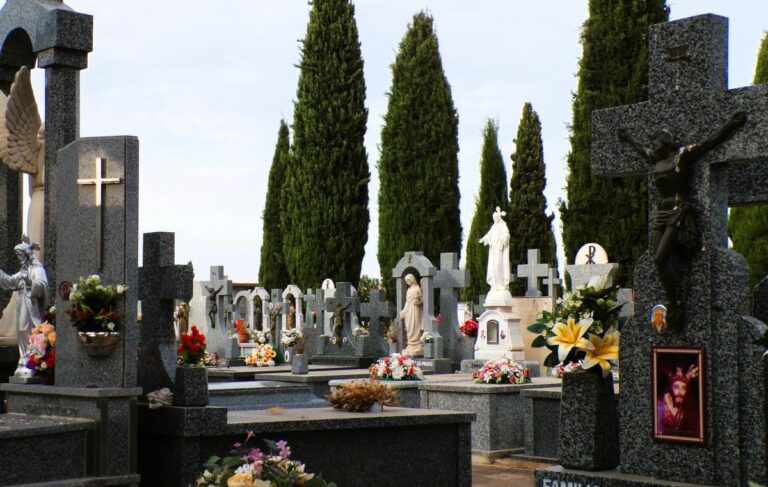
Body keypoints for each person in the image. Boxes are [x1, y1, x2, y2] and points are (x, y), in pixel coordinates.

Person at [618, 111, 746, 330]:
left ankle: (674, 301)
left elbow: (709, 143)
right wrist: (628, 136)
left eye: (656, 143)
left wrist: (730, 124)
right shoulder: (654, 159)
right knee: (656, 259)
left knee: (660, 258)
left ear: (666, 144)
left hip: (678, 210)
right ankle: (673, 300)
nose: (653, 147)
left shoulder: (682, 155)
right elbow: (640, 148)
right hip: (662, 212)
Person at [0, 238, 48, 377]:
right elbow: (10, 282)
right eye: (18, 256)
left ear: (27, 255)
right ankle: (24, 358)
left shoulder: (37, 269)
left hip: (32, 305)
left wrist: (30, 281)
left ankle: (35, 358)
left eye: (21, 255)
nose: (19, 259)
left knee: (32, 329)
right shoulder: (23, 271)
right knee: (21, 330)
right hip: (22, 303)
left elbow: (42, 285)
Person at [656, 364, 699, 436]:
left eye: (683, 388)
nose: (680, 392)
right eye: (676, 387)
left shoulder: (683, 406)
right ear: (670, 388)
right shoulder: (659, 405)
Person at [479, 206, 511, 290]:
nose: (494, 220)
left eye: (495, 218)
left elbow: (507, 234)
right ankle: (494, 285)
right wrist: (484, 238)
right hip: (493, 250)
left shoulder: (503, 226)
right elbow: (489, 234)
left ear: (498, 218)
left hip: (499, 249)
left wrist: (504, 239)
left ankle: (501, 284)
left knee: (498, 265)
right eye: (494, 218)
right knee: (493, 266)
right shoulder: (493, 227)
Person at [400, 274, 424, 356]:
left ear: (412, 279)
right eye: (406, 281)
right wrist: (404, 311)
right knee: (409, 326)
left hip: (415, 309)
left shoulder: (418, 288)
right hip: (409, 310)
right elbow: (407, 301)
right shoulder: (409, 290)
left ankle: (417, 344)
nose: (407, 282)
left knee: (415, 325)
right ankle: (410, 344)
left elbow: (422, 300)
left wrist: (419, 301)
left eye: (408, 280)